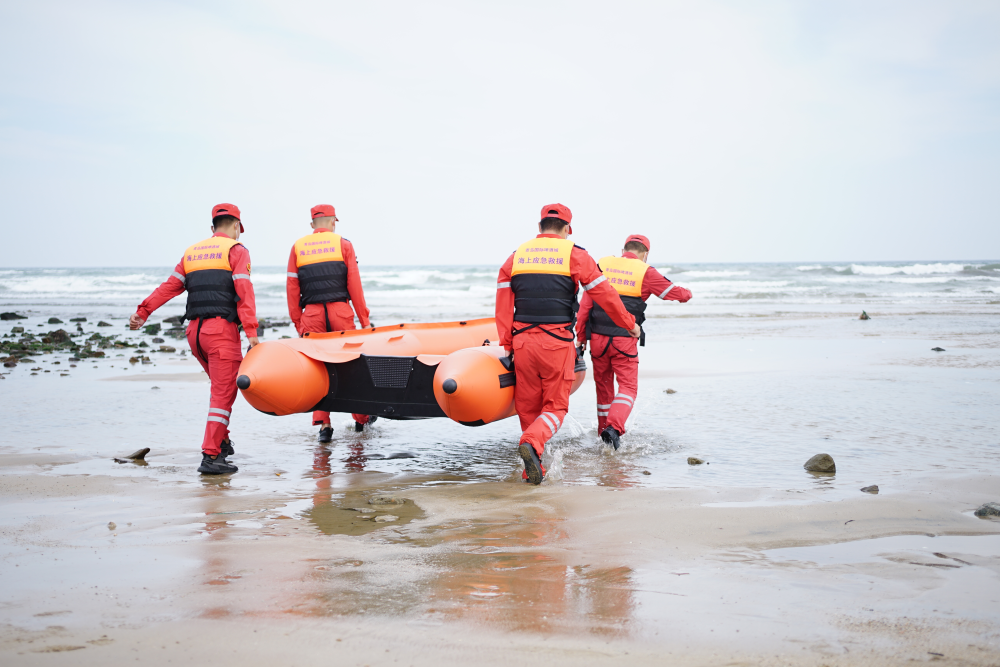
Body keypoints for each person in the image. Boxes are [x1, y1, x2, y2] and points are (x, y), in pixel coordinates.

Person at [496, 204, 641, 485]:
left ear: (539, 227)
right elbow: (606, 296)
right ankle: (532, 442)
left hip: (523, 343)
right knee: (555, 409)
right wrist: (629, 324)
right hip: (556, 343)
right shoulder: (575, 255)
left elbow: (503, 305)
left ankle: (531, 469)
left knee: (528, 408)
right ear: (567, 229)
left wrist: (507, 344)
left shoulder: (515, 257)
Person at [129, 203, 259, 475]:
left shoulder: (192, 253)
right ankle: (211, 457)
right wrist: (252, 336)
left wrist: (143, 312)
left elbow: (169, 287)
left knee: (219, 390)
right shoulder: (237, 250)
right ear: (236, 225)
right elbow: (244, 293)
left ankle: (222, 442)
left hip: (194, 335)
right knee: (222, 397)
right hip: (221, 334)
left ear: (213, 228)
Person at [576, 234, 692, 450]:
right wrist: (688, 293)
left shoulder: (603, 264)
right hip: (624, 339)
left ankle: (604, 435)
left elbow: (585, 306)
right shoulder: (645, 272)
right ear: (645, 254)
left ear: (623, 250)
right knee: (628, 387)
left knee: (603, 389)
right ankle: (614, 428)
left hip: (598, 341)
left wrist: (581, 336)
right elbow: (675, 293)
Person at [286, 204, 374, 441]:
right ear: (334, 221)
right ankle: (361, 418)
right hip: (340, 312)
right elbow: (354, 284)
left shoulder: (298, 247)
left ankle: (324, 425)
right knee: (351, 365)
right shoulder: (343, 244)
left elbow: (292, 288)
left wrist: (298, 322)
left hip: (312, 314)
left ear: (312, 225)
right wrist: (364, 320)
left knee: (318, 368)